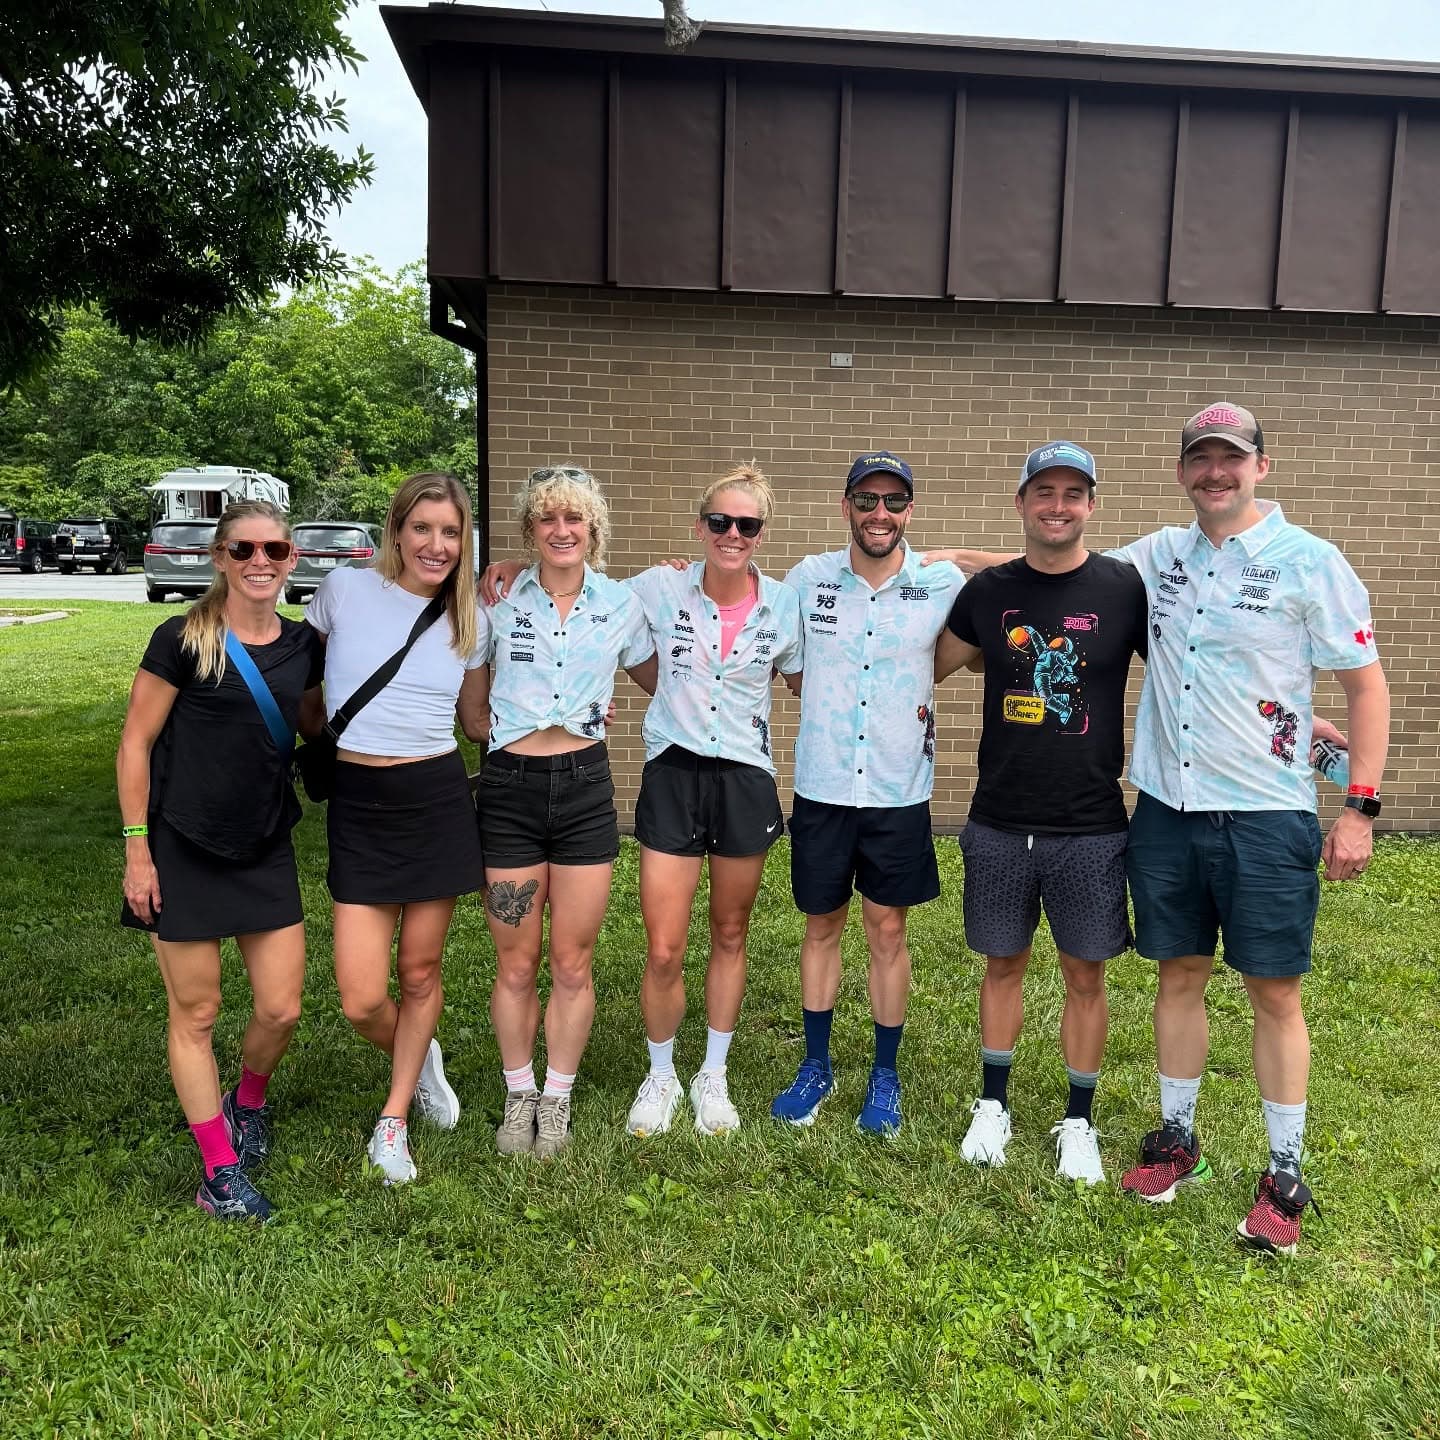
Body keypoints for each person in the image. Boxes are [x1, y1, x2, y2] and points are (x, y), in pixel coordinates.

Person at [930, 403, 1390, 1253]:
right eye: (1201, 460)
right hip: (1167, 813)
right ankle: (1178, 1143)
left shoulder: (1309, 562)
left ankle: (1284, 1169)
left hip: (1265, 812)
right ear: (1183, 472)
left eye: (1232, 459)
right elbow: (1055, 570)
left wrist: (1358, 805)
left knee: (1273, 991)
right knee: (1178, 977)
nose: (1215, 473)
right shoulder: (1158, 559)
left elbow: (1366, 685)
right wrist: (948, 560)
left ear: (1261, 466)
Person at [933, 442, 1148, 1184]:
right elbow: (920, 663)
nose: (1058, 506)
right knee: (1003, 964)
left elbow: (1195, 665)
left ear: (1091, 504)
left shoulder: (1125, 588)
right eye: (1044, 492)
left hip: (1091, 823)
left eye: (1073, 494)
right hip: (998, 817)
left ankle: (1079, 1120)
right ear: (1021, 501)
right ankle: (993, 1106)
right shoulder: (988, 593)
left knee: (1086, 975)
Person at [117, 501, 322, 1220]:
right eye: (244, 550)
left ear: (293, 558)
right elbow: (136, 743)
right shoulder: (182, 638)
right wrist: (137, 849)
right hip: (183, 845)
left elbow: (315, 723)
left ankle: (248, 1101)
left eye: (274, 549)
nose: (259, 562)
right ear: (220, 556)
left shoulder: (304, 647)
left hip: (264, 844)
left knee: (281, 1007)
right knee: (196, 1012)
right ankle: (218, 1173)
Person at [770, 451, 965, 1138]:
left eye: (893, 502)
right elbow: (788, 667)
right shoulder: (807, 580)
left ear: (910, 510)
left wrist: (954, 549)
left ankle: (886, 1072)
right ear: (845, 505)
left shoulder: (941, 582)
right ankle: (815, 1065)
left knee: (887, 930)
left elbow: (1030, 564)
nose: (878, 514)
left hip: (897, 791)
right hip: (824, 787)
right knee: (821, 926)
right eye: (866, 500)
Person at [305, 472, 490, 1186]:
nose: (435, 545)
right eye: (423, 528)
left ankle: (393, 1120)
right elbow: (303, 679)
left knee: (418, 970)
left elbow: (475, 720)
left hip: (434, 797)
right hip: (359, 798)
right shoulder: (345, 590)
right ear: (397, 529)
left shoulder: (473, 616)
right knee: (360, 998)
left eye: (450, 533)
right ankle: (421, 1055)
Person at [475, 466, 656, 1159]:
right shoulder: (496, 600)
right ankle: (518, 1092)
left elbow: (660, 676)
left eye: (574, 519)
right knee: (516, 960)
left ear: (593, 531)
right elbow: (471, 702)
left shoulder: (621, 605)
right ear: (529, 530)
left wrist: (675, 577)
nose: (561, 530)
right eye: (548, 519)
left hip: (584, 788)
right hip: (511, 788)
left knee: (573, 962)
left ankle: (557, 1099)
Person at [621, 464, 804, 1137]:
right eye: (720, 522)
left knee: (730, 932)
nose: (732, 534)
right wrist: (511, 565)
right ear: (700, 527)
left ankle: (713, 1076)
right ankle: (662, 1073)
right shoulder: (657, 587)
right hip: (673, 771)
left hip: (744, 776)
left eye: (746, 524)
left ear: (761, 534)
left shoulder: (784, 604)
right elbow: (572, 588)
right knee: (665, 946)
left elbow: (810, 680)